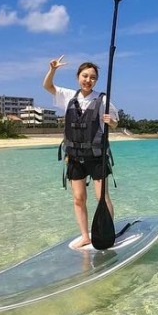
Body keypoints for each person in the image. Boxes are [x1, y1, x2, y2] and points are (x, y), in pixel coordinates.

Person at [43, 55, 119, 249]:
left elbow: (116, 123)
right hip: (75, 156)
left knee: (102, 197)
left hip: (96, 157)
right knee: (78, 199)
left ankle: (108, 234)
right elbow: (48, 87)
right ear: (78, 77)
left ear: (96, 80)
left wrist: (112, 122)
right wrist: (52, 70)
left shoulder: (103, 100)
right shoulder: (69, 96)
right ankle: (86, 236)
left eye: (92, 77)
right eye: (85, 76)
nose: (88, 80)